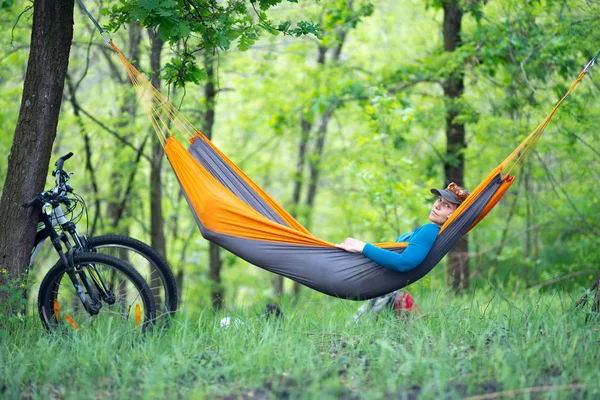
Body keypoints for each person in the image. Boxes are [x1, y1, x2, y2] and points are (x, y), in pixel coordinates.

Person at [335, 182, 469, 272]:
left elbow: (404, 262)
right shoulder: (434, 232)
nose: (437, 205)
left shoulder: (430, 230)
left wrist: (361, 246)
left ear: (452, 215)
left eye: (447, 205)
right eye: (439, 199)